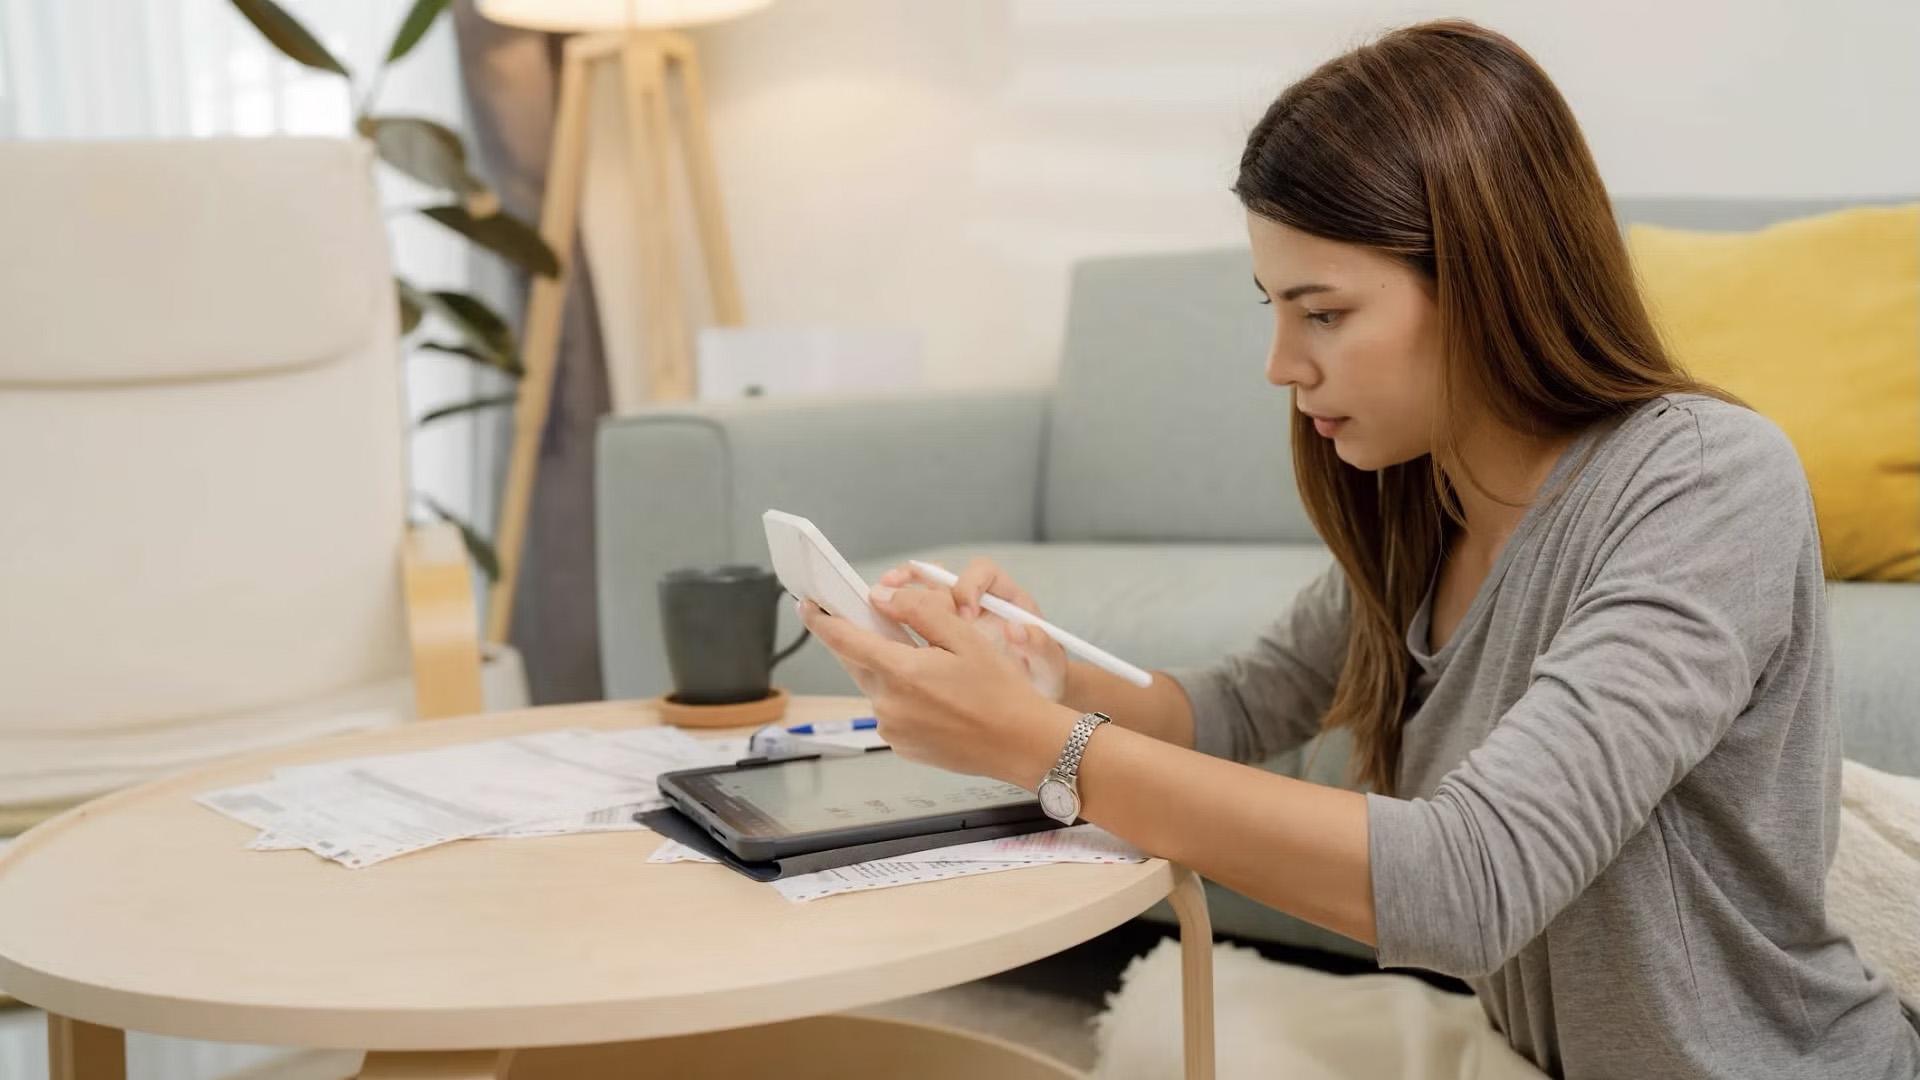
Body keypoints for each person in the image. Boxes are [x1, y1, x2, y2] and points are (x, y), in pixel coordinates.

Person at [798, 17, 1920, 1080]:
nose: (1281, 364)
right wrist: (1038, 672)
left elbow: (1471, 882)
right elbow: (1235, 712)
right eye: (1272, 308)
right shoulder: (1427, 500)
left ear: (1487, 282)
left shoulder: (1708, 483)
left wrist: (1047, 745)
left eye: (1323, 312)